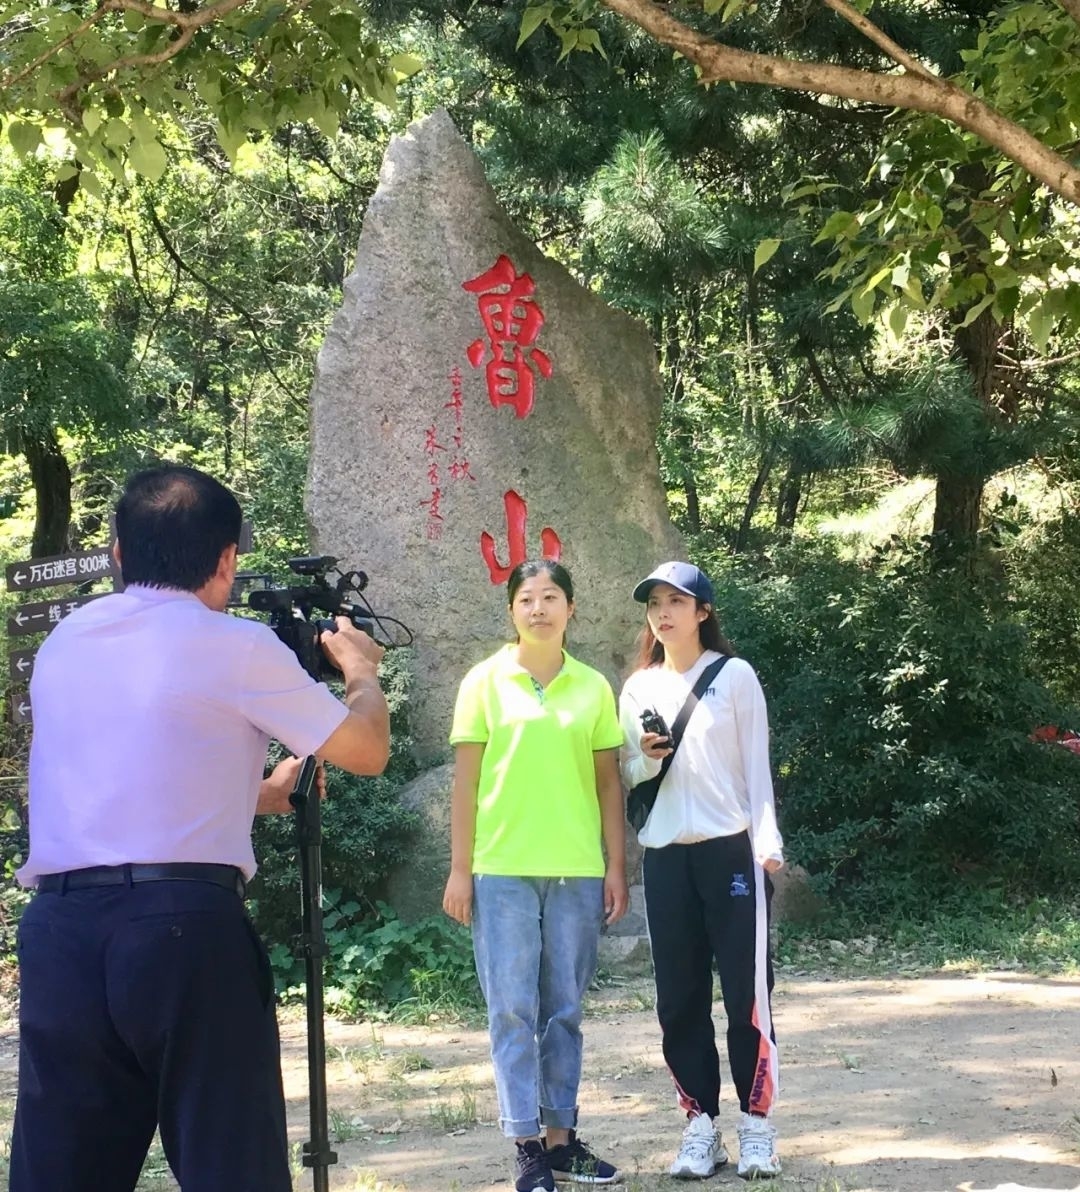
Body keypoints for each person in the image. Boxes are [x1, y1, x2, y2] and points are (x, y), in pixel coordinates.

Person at [10, 464, 391, 1192]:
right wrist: (360, 673)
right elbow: (365, 751)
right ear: (227, 560)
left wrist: (253, 796)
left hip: (62, 930)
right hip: (181, 929)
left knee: (62, 1169)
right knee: (229, 1162)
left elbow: (119, 781)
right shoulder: (238, 645)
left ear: (119, 551)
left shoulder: (68, 639)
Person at [442, 559, 628, 1192]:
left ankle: (562, 1140)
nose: (540, 608)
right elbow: (465, 783)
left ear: (571, 609)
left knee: (565, 1011)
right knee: (512, 1011)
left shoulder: (594, 688)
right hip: (501, 872)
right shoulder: (484, 683)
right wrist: (459, 870)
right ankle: (525, 1143)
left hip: (577, 871)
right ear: (511, 611)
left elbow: (608, 784)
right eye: (527, 598)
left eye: (552, 597)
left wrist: (616, 866)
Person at [618, 561, 784, 1182]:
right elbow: (627, 775)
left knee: (746, 993)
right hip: (666, 856)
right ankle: (699, 1126)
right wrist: (645, 756)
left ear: (703, 612)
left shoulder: (735, 676)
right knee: (680, 996)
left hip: (730, 850)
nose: (663, 613)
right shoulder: (638, 687)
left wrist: (767, 843)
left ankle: (757, 1126)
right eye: (655, 603)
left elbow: (756, 765)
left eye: (676, 602)